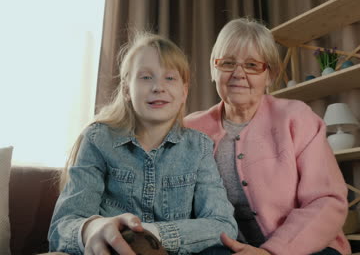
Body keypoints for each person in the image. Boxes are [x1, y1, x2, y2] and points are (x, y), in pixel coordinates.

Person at [48, 33, 237, 255]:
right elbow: (62, 227)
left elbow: (223, 225)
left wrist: (149, 235)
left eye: (170, 78)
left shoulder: (199, 147)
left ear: (184, 91)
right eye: (146, 77)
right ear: (127, 90)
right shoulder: (98, 139)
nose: (158, 87)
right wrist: (92, 229)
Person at [184, 18, 352, 255]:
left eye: (252, 65)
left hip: (305, 246)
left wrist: (271, 252)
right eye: (228, 63)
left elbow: (326, 200)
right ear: (214, 69)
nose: (238, 74)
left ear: (270, 75)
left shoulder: (297, 118)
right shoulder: (190, 129)